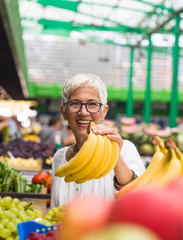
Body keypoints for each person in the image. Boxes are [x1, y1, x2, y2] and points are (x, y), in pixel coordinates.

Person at [51, 73, 146, 207]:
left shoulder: (124, 149)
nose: (83, 112)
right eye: (74, 104)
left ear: (104, 111)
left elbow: (140, 200)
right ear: (64, 112)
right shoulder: (59, 158)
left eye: (92, 104)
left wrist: (115, 156)